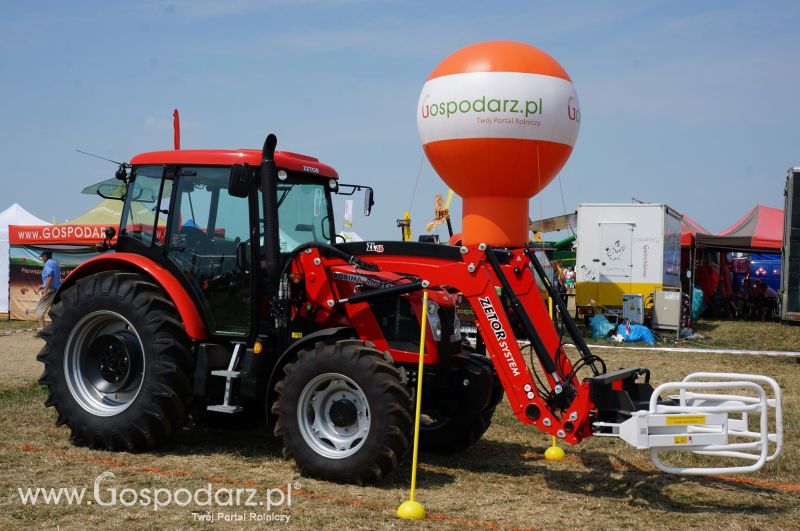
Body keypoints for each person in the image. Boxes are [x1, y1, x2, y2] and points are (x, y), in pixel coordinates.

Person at [35, 250, 61, 337]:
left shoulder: (48, 264)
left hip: (50, 290)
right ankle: (57, 329)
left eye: (42, 256)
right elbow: (53, 279)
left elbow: (50, 277)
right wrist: (43, 285)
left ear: (45, 256)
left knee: (39, 311)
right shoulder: (55, 263)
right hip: (56, 290)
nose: (42, 258)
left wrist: (45, 291)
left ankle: (43, 332)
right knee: (55, 311)